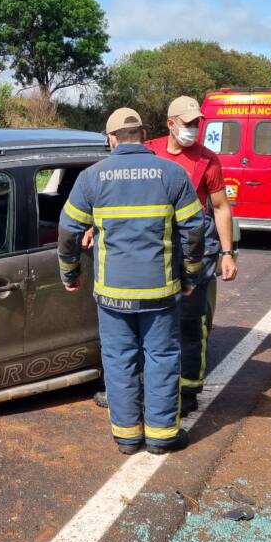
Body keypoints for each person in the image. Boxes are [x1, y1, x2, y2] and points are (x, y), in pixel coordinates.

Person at [58, 107, 205, 455]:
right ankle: (161, 436)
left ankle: (126, 437)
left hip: (112, 294)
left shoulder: (92, 178)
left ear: (111, 139)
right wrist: (191, 275)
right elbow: (195, 232)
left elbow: (68, 232)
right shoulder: (172, 174)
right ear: (143, 134)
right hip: (160, 292)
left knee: (119, 360)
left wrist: (70, 272)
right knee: (162, 359)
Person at [92, 95, 237, 413]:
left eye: (198, 123)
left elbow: (220, 207)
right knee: (146, 327)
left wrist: (228, 252)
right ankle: (134, 391)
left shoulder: (207, 160)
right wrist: (92, 226)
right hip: (155, 249)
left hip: (194, 247)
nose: (194, 129)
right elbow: (116, 195)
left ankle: (186, 390)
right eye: (188, 123)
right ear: (171, 124)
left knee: (189, 323)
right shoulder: (150, 151)